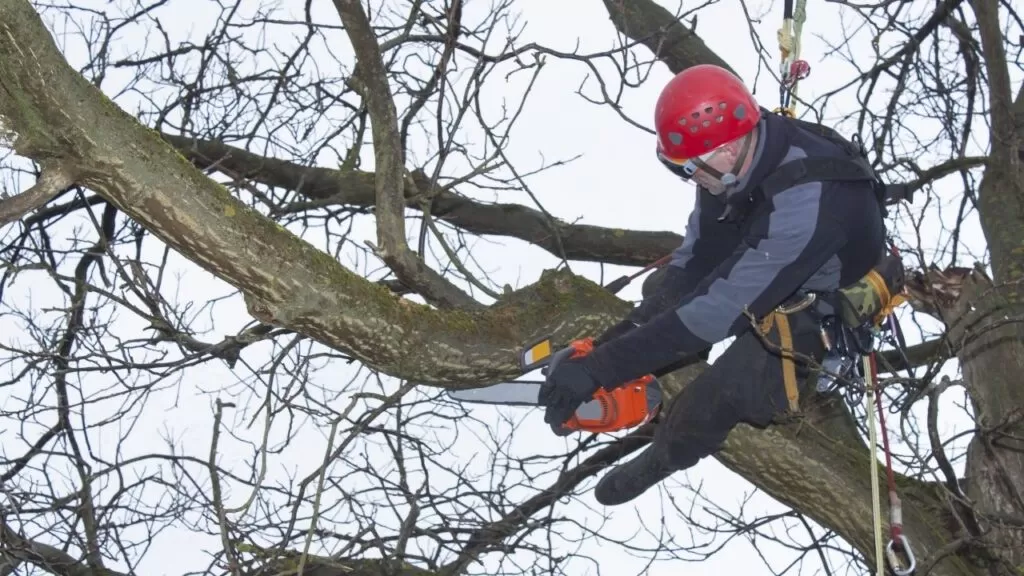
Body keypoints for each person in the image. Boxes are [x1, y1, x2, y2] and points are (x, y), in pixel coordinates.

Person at [537, 64, 888, 506]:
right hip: (767, 248)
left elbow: (716, 313)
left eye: (689, 168)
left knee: (725, 392)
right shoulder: (730, 168)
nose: (690, 178)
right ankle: (649, 367)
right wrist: (613, 344)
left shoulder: (807, 203)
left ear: (725, 147)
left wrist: (601, 370)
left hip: (822, 293)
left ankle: (666, 453)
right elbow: (695, 260)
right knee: (665, 291)